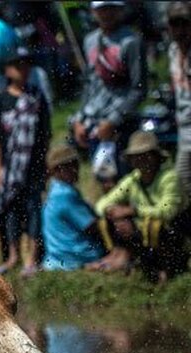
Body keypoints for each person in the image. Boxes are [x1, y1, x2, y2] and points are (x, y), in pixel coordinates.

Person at [95, 131, 188, 282]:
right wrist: (113, 212)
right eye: (136, 156)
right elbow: (101, 204)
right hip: (144, 232)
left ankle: (166, 268)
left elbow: (167, 210)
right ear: (131, 160)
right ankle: (125, 257)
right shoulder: (132, 180)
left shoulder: (169, 177)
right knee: (106, 220)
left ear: (156, 157)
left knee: (154, 224)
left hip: (173, 232)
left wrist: (133, 211)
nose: (141, 160)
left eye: (146, 155)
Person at [0, 48, 51, 275]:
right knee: (11, 210)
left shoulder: (37, 96)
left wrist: (45, 163)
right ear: (7, 70)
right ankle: (13, 257)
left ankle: (31, 259)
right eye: (17, 65)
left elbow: (45, 134)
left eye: (25, 65)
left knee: (33, 209)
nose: (22, 70)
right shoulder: (0, 100)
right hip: (9, 168)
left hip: (33, 166)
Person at [71, 0, 145, 188]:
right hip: (95, 122)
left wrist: (113, 120)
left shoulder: (131, 41)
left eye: (111, 8)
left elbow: (139, 89)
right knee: (104, 182)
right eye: (102, 9)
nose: (107, 14)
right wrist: (79, 118)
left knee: (126, 182)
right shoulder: (90, 41)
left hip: (121, 123)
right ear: (94, 11)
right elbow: (89, 84)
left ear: (120, 10)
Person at [41, 144, 116, 271]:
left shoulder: (54, 191)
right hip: (75, 258)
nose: (75, 169)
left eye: (75, 164)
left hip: (56, 258)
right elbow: (92, 226)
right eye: (68, 166)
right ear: (56, 171)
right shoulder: (65, 194)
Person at [168, 2, 191, 194]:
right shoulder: (173, 52)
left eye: (185, 23)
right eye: (175, 24)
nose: (180, 29)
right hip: (184, 129)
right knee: (182, 184)